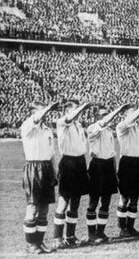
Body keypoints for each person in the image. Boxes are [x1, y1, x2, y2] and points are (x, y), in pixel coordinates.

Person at [86, 104, 129, 243]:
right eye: (102, 115)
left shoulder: (109, 131)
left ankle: (101, 232)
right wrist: (118, 110)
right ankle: (91, 234)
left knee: (106, 202)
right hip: (97, 166)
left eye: (106, 114)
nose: (105, 117)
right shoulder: (92, 128)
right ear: (97, 117)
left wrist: (115, 172)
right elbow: (102, 124)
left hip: (108, 166)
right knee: (93, 202)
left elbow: (112, 154)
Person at [21, 100, 60, 254]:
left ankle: (40, 241)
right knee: (32, 206)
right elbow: (37, 117)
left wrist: (54, 171)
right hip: (33, 168)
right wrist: (49, 107)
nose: (44, 112)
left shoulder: (47, 130)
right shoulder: (28, 125)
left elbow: (51, 154)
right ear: (33, 111)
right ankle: (31, 244)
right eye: (41, 109)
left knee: (44, 208)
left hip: (46, 168)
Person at [53, 100, 92, 249]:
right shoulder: (62, 122)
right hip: (68, 163)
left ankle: (70, 236)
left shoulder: (79, 125)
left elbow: (82, 146)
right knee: (63, 202)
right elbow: (70, 118)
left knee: (75, 202)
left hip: (80, 163)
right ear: (67, 111)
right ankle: (57, 238)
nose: (79, 111)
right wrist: (82, 107)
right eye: (75, 109)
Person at [116, 101, 139, 237]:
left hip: (138, 163)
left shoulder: (138, 129)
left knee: (135, 198)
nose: (135, 114)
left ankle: (131, 227)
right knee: (124, 197)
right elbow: (130, 120)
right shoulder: (122, 126)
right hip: (127, 162)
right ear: (125, 114)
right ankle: (122, 228)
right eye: (132, 111)